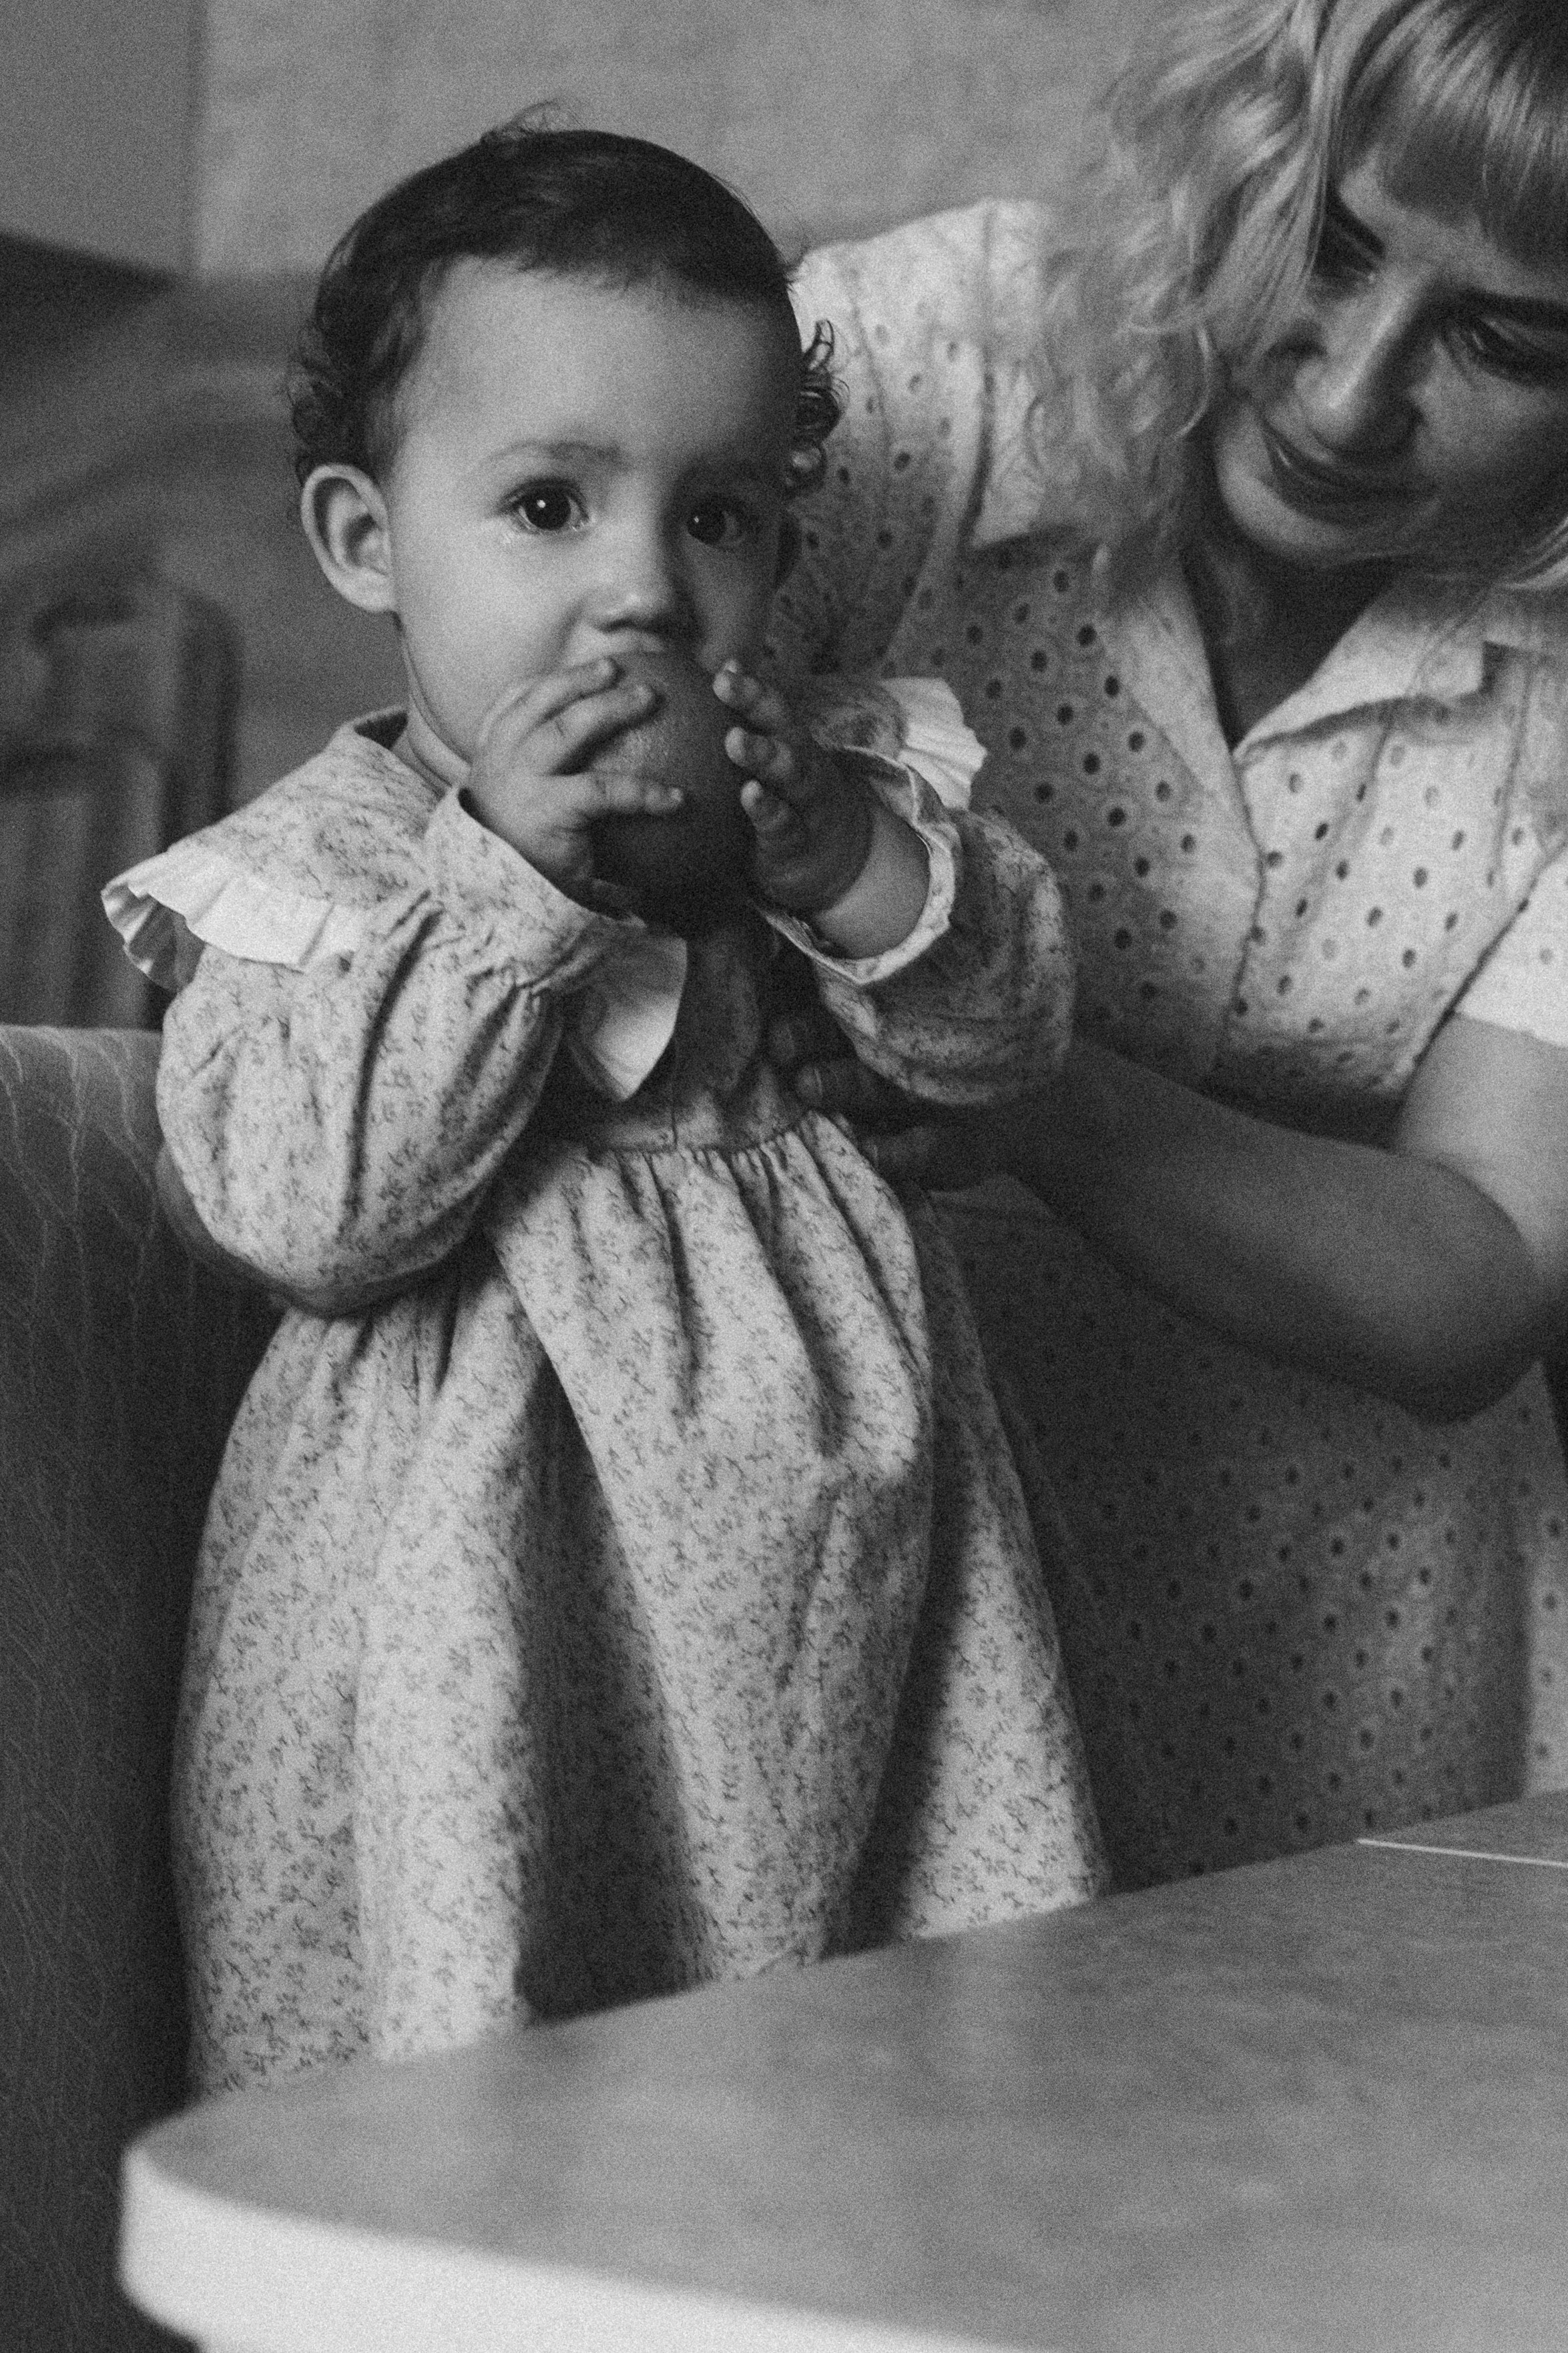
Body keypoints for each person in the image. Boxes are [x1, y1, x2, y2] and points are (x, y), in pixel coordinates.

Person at [101, 124, 1105, 2092]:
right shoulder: (318, 877)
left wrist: (843, 868)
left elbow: (1005, 1046)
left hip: (850, 1566)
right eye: (550, 505)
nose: (644, 589)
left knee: (870, 2058)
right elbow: (307, 1209)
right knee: (487, 2045)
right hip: (482, 1585)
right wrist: (505, 887)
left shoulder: (816, 806)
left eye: (717, 515)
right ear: (367, 543)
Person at [768, 0, 1568, 1888]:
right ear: (1237, 159)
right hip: (860, 1554)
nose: (1352, 397)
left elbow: (1483, 1273)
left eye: (1501, 343)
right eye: (1332, 246)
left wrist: (1024, 1084)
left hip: (1366, 1634)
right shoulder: (925, 364)